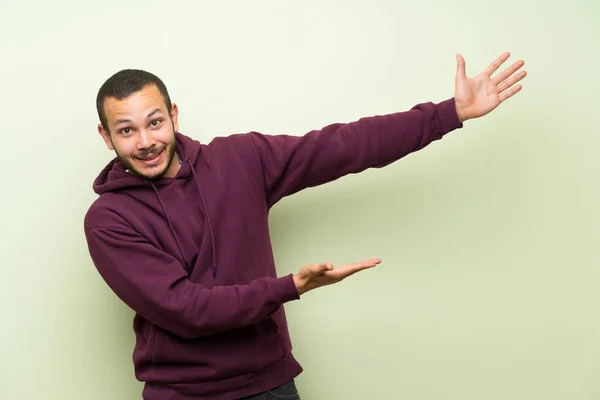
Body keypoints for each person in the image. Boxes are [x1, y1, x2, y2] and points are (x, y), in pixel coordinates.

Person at [84, 52, 526, 400]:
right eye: (126, 131)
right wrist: (288, 287)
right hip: (182, 394)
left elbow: (344, 146)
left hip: (269, 385)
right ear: (107, 137)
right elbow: (188, 310)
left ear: (174, 115)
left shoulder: (240, 160)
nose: (145, 142)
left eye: (154, 122)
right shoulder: (109, 220)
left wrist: (448, 114)